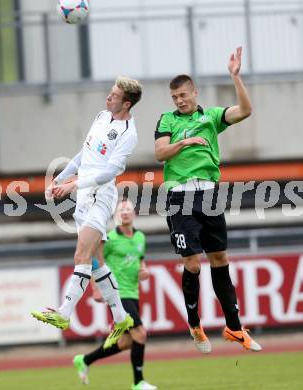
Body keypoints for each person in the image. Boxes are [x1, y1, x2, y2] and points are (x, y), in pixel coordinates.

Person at [154, 47, 262, 353]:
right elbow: (160, 153)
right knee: (192, 263)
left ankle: (234, 328)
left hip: (209, 194)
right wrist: (185, 141)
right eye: (175, 97)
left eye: (183, 95)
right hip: (180, 195)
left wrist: (235, 77)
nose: (179, 101)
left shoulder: (211, 116)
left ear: (194, 93)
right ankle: (194, 323)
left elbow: (245, 110)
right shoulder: (167, 120)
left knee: (220, 259)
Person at [31, 76, 142, 349]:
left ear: (126, 103)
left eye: (114, 95)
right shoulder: (102, 116)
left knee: (81, 254)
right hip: (82, 195)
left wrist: (72, 185)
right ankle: (121, 317)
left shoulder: (129, 132)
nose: (108, 98)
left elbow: (108, 173)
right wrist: (61, 178)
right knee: (95, 261)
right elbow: (84, 154)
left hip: (100, 197)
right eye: (110, 93)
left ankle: (63, 314)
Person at [73, 199, 157, 390]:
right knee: (140, 333)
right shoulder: (109, 239)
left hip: (133, 294)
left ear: (134, 213)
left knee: (126, 342)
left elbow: (140, 261)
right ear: (116, 216)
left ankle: (84, 360)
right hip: (118, 294)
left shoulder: (140, 238)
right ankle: (138, 382)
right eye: (121, 210)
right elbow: (93, 260)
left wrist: (144, 270)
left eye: (128, 209)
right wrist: (95, 288)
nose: (125, 212)